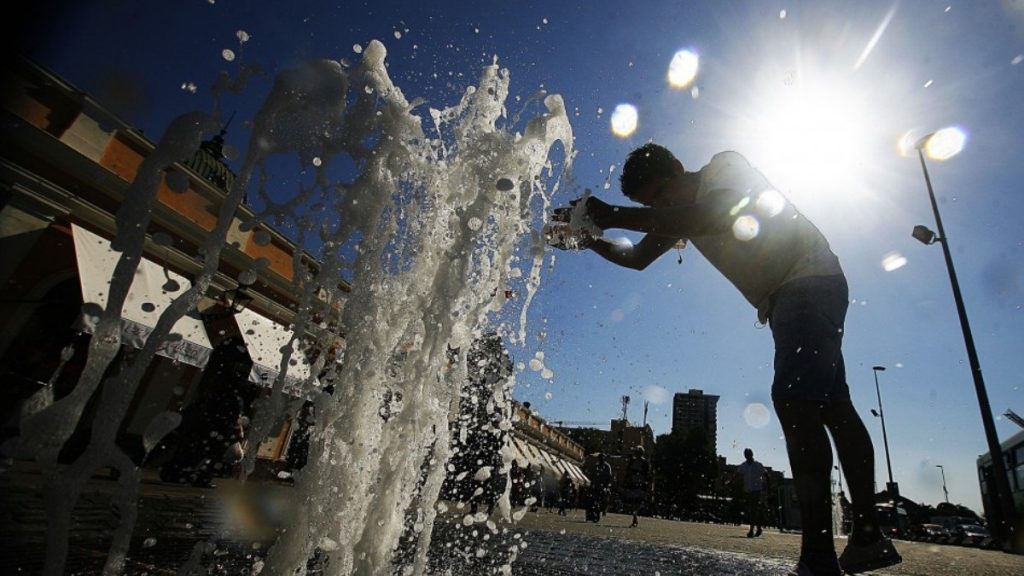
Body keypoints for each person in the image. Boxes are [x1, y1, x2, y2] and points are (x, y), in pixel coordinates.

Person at [551, 144, 902, 576]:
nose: (660, 209)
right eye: (652, 205)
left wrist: (615, 215)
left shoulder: (723, 168)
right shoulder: (679, 215)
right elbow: (639, 258)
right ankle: (867, 538)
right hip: (797, 293)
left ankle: (819, 559)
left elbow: (713, 215)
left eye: (661, 195)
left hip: (806, 279)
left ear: (679, 168)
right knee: (833, 406)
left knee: (795, 402)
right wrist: (589, 241)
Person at [735, 448, 768, 538]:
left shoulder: (758, 465)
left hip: (756, 490)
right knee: (751, 511)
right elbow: (738, 474)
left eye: (748, 454)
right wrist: (730, 481)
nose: (747, 456)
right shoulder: (744, 465)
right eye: (746, 454)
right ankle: (758, 528)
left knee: (753, 509)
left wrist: (768, 486)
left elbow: (765, 474)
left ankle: (751, 531)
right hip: (747, 490)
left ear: (752, 454)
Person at [624, 445, 651, 527]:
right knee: (633, 502)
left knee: (638, 502)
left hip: (640, 484)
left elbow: (647, 474)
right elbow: (628, 471)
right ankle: (634, 517)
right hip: (633, 483)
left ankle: (635, 517)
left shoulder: (645, 462)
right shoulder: (632, 461)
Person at [588, 452, 613, 523]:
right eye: (600, 458)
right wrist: (592, 484)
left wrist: (607, 486)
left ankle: (601, 512)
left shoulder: (607, 466)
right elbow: (592, 476)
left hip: (603, 487)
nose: (601, 459)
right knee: (595, 501)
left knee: (601, 501)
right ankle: (594, 515)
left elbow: (609, 477)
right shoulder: (596, 466)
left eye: (602, 458)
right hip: (596, 486)